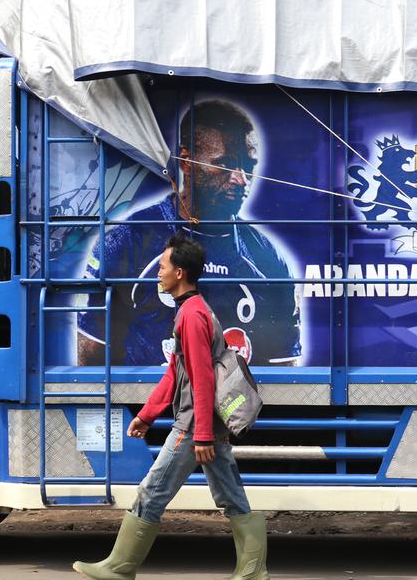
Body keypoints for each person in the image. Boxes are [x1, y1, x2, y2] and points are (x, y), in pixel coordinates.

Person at [72, 235, 269, 580]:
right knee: (230, 495)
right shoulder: (193, 310)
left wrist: (203, 435)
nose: (158, 272)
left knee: (152, 491)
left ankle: (120, 567)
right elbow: (175, 374)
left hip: (195, 425)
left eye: (162, 267)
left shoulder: (191, 316)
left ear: (179, 273)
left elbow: (203, 380)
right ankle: (253, 571)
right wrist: (147, 415)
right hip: (204, 423)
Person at [76, 99, 301, 367]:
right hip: (152, 404)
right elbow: (92, 355)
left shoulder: (267, 259)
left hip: (232, 407)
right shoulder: (129, 239)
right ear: (185, 160)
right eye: (225, 165)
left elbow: (283, 368)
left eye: (248, 167)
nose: (241, 180)